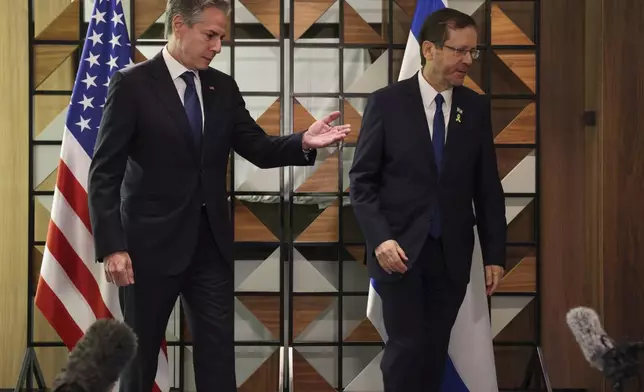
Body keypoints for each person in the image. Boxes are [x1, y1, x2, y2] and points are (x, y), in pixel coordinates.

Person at [87, 0, 350, 391]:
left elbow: (257, 148)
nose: (217, 46)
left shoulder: (221, 86)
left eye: (221, 37)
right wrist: (113, 248)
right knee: (139, 362)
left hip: (209, 248)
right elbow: (104, 172)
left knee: (217, 359)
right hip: (147, 250)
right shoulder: (133, 84)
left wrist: (303, 142)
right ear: (179, 25)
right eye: (210, 35)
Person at [349, 8, 506, 392]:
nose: (468, 60)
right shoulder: (386, 103)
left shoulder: (475, 108)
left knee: (434, 351)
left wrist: (496, 255)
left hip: (450, 254)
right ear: (430, 49)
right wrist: (380, 239)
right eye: (459, 51)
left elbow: (486, 187)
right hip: (398, 250)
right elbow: (362, 181)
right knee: (405, 349)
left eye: (473, 52)